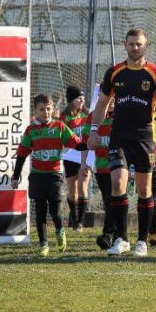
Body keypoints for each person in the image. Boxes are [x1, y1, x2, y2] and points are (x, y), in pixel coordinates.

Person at [88, 28, 156, 257]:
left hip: (145, 138)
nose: (135, 48)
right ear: (125, 45)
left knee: (145, 189)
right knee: (117, 184)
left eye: (139, 44)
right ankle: (121, 239)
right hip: (119, 137)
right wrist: (94, 130)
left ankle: (142, 241)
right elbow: (102, 104)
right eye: (131, 44)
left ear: (146, 46)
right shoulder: (115, 72)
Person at [11, 94, 87, 256]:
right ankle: (43, 244)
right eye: (41, 109)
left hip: (55, 176)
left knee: (55, 211)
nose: (45, 112)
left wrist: (88, 145)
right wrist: (15, 176)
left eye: (48, 109)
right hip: (38, 176)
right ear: (35, 111)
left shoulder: (59, 127)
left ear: (53, 109)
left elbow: (75, 142)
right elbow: (22, 154)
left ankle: (60, 231)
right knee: (39, 211)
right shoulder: (31, 130)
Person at [81, 98, 117, 249]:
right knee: (108, 200)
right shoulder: (94, 117)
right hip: (101, 167)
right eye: (109, 98)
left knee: (113, 199)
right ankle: (116, 234)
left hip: (118, 166)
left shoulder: (122, 115)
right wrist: (84, 162)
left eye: (115, 99)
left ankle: (108, 234)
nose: (112, 102)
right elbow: (84, 140)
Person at [60, 85, 90, 231]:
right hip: (70, 155)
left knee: (82, 185)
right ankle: (74, 215)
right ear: (71, 100)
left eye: (83, 98)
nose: (82, 100)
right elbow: (61, 135)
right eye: (79, 98)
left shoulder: (87, 115)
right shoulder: (65, 117)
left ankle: (80, 222)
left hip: (85, 155)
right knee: (72, 190)